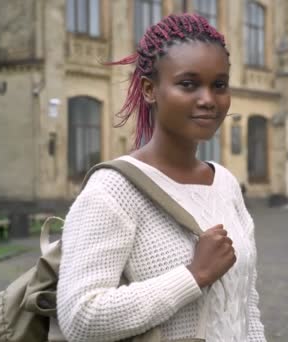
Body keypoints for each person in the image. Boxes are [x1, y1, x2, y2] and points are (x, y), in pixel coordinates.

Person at [57, 13, 266, 342]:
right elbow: (82, 318)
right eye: (188, 84)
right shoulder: (113, 190)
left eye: (219, 85)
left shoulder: (225, 184)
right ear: (150, 89)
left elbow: (245, 305)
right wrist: (193, 276)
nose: (208, 100)